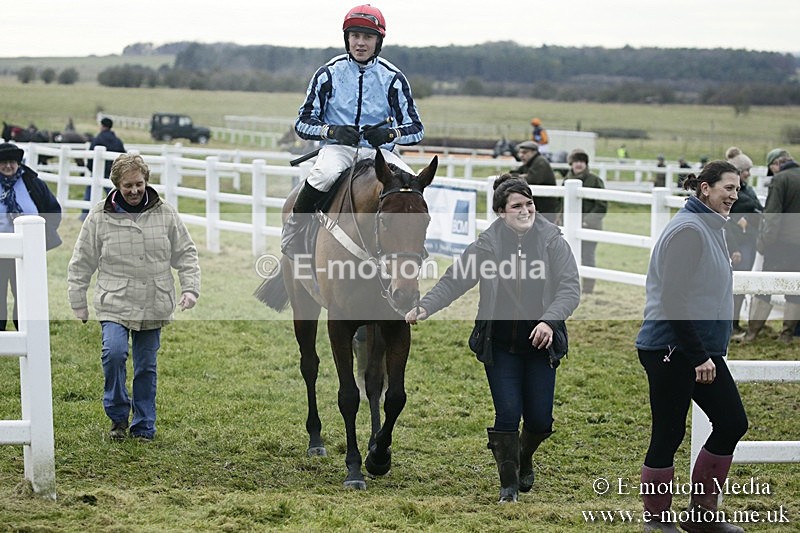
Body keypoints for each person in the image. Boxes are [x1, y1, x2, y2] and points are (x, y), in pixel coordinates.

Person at [405, 175, 580, 503]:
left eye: (529, 203)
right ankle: (508, 485)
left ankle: (525, 457)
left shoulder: (552, 241)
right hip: (500, 346)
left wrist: (549, 322)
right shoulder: (487, 245)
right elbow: (455, 280)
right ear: (501, 212)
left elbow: (570, 288)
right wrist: (426, 306)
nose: (525, 210)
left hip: (540, 346)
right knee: (508, 414)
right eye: (517, 206)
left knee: (540, 420)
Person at [635, 160, 748, 533]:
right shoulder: (689, 229)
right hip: (672, 347)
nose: (734, 194)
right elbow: (672, 297)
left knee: (732, 421)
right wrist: (699, 355)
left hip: (697, 345)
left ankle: (700, 517)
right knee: (668, 431)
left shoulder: (710, 225)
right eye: (727, 188)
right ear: (705, 188)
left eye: (737, 188)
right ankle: (657, 520)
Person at [67, 153, 200, 441]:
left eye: (139, 184)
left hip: (154, 300)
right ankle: (117, 416)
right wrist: (78, 299)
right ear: (117, 186)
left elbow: (186, 253)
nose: (134, 190)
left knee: (146, 367)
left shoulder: (166, 213)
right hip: (114, 301)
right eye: (128, 186)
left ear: (146, 181)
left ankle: (144, 427)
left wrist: (190, 288)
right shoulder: (99, 215)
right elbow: (82, 259)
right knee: (113, 354)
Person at [283, 4, 424, 259]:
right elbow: (302, 124)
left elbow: (416, 129)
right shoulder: (328, 74)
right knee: (323, 175)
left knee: (412, 185)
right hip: (339, 150)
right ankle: (295, 229)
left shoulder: (393, 78)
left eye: (368, 37)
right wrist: (331, 130)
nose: (360, 43)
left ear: (378, 41)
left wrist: (391, 135)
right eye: (355, 36)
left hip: (379, 154)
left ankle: (412, 245)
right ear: (346, 38)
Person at [0, 143, 62, 331]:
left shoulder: (32, 182)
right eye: (3, 162)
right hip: (0, 253)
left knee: (25, 295)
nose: (8, 166)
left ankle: (26, 336)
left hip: (28, 251)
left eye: (12, 162)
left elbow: (53, 211)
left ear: (18, 163)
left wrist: (40, 238)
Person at [745, 148, 800, 343]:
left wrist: (764, 242)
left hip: (780, 244)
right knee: (794, 289)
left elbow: (773, 216)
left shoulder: (780, 180)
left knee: (764, 287)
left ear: (776, 164)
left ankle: (752, 333)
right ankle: (787, 335)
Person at [723, 147, 763, 335]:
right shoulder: (730, 192)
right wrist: (734, 247)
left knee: (741, 284)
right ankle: (730, 324)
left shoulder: (748, 189)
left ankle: (735, 322)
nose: (748, 173)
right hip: (738, 243)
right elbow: (727, 222)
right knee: (735, 284)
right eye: (745, 170)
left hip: (749, 240)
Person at [563, 148, 607, 294]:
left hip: (590, 226)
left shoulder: (595, 180)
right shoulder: (566, 180)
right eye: (576, 161)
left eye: (582, 161)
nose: (579, 165)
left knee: (587, 257)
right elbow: (561, 203)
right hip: (568, 225)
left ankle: (588, 289)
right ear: (571, 163)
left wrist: (587, 221)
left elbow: (601, 205)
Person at [82, 117, 126, 220]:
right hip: (113, 171)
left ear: (102, 126)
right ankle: (120, 211)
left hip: (98, 171)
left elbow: (91, 155)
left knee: (90, 191)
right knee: (113, 192)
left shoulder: (98, 139)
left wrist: (91, 168)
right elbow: (123, 155)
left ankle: (85, 213)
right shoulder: (117, 141)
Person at [509, 140, 560, 223]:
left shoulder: (540, 162)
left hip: (545, 208)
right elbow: (512, 175)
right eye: (520, 153)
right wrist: (520, 176)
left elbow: (530, 180)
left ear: (534, 152)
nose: (521, 155)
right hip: (537, 206)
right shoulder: (530, 163)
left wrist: (521, 177)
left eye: (525, 153)